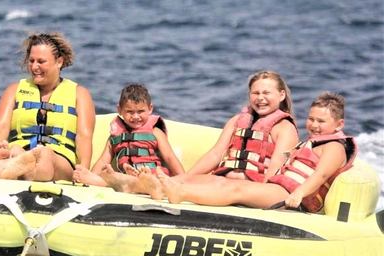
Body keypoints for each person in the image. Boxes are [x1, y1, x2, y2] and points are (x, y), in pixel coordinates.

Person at [141, 92, 357, 213]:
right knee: (219, 181)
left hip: (291, 198)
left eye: (321, 121)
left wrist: (299, 193)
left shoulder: (335, 147)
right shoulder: (310, 143)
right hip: (278, 188)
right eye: (311, 119)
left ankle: (182, 194)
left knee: (236, 189)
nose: (314, 125)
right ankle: (166, 187)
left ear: (339, 124)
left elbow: (320, 175)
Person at [106, 70, 299, 195]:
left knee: (225, 187)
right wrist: (185, 177)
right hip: (226, 180)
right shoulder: (237, 121)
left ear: (281, 95)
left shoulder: (284, 128)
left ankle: (144, 186)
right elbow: (216, 154)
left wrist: (260, 195)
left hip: (257, 188)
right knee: (197, 181)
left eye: (267, 93)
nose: (260, 98)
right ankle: (132, 184)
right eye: (256, 93)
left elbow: (275, 170)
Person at [0, 32, 96, 181]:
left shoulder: (80, 94)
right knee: (17, 153)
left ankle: (20, 164)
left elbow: (84, 136)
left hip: (59, 161)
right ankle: (21, 162)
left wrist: (83, 173)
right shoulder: (14, 90)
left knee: (46, 155)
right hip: (22, 151)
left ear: (59, 62)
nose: (35, 67)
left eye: (41, 61)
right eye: (31, 61)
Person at [72, 83, 185, 187]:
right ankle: (104, 180)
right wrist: (92, 175)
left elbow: (170, 157)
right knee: (111, 176)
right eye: (130, 112)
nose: (135, 116)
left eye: (140, 111)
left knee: (122, 180)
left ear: (150, 109)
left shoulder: (155, 132)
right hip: (127, 178)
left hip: (154, 176)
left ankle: (144, 181)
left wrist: (184, 180)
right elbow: (103, 161)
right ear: (119, 110)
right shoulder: (115, 136)